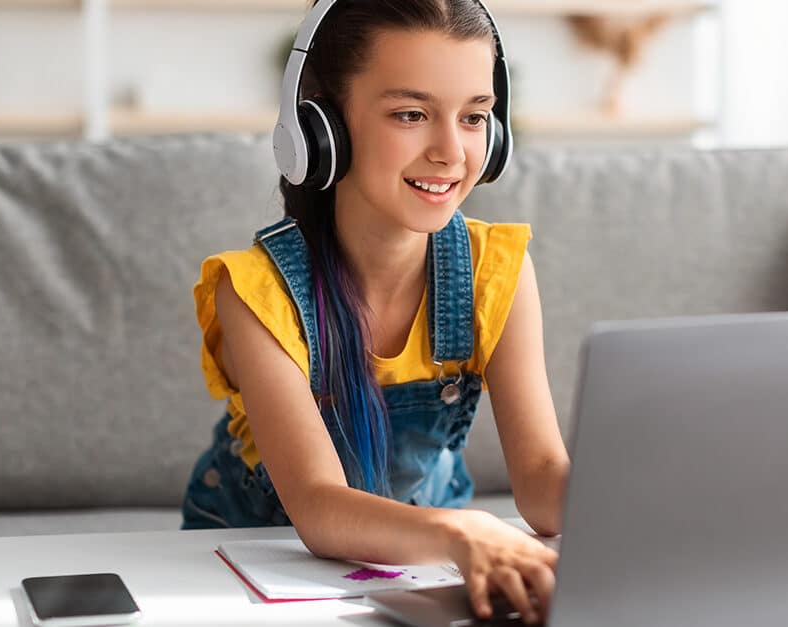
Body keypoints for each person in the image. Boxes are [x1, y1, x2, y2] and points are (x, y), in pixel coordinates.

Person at [180, 0, 569, 623]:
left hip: (429, 557)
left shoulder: (496, 269)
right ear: (321, 130)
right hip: (258, 560)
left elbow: (545, 482)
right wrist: (463, 532)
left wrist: (647, 502)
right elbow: (318, 504)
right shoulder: (257, 289)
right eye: (411, 114)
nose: (451, 151)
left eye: (474, 117)